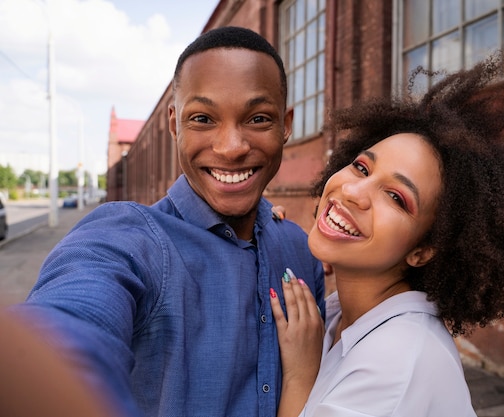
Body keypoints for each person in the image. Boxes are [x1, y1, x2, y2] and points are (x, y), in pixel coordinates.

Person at [6, 26, 325, 417]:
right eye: (203, 119)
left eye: (258, 118)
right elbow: (71, 316)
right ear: (174, 124)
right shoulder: (131, 239)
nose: (231, 148)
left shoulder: (299, 249)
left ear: (286, 124)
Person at [270, 48, 504, 416]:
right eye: (362, 168)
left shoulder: (398, 365)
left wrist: (299, 375)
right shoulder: (340, 311)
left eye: (396, 197)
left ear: (424, 249)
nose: (351, 191)